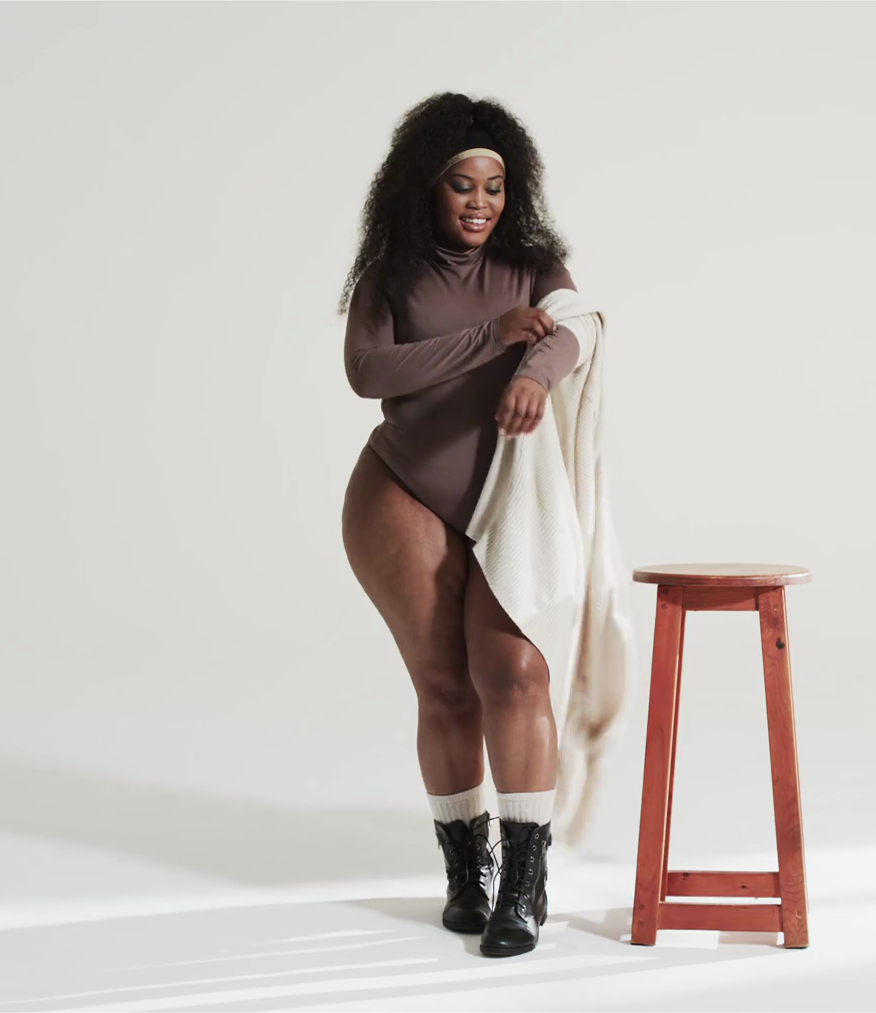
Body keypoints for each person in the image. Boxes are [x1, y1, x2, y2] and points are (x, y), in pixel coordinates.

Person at [338, 92, 582, 959]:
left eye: (494, 187)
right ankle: (467, 874)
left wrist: (534, 373)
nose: (480, 202)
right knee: (446, 687)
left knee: (515, 673)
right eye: (461, 185)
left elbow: (576, 330)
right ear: (425, 187)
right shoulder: (390, 276)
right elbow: (367, 371)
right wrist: (489, 340)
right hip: (402, 491)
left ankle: (525, 881)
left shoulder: (534, 265)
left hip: (505, 501)